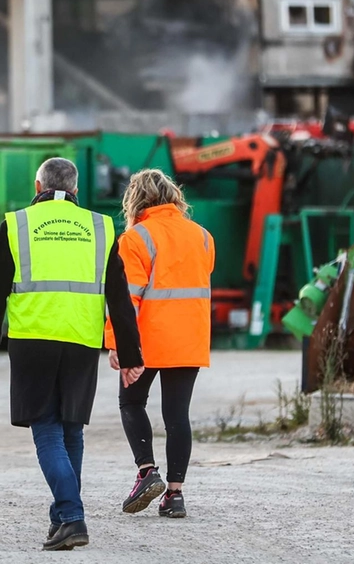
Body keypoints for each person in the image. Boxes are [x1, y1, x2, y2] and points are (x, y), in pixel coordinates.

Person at [0, 157, 145, 551]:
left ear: (37, 187)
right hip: (82, 341)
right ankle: (62, 518)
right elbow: (119, 297)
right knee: (71, 429)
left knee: (46, 428)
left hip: (33, 338)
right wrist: (130, 351)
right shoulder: (100, 227)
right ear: (77, 191)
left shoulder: (17, 224)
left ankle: (71, 516)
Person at [105, 169, 215, 519]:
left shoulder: (135, 238)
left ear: (136, 199)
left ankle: (146, 471)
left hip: (148, 340)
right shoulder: (203, 236)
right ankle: (175, 495)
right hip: (190, 339)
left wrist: (117, 343)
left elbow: (127, 299)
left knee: (131, 402)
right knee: (177, 415)